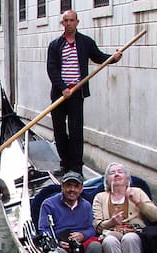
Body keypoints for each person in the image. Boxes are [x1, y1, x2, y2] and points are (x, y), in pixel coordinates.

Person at [46, 9, 122, 175]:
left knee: (76, 131)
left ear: (77, 22)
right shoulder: (55, 45)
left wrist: (113, 58)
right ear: (62, 23)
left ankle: (76, 167)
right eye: (65, 21)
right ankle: (65, 164)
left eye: (71, 20)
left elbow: (99, 57)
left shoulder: (86, 42)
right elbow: (52, 69)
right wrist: (63, 88)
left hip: (77, 94)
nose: (68, 23)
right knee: (59, 131)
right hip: (60, 94)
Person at [92, 163, 157, 253]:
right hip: (111, 232)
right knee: (109, 241)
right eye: (112, 173)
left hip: (135, 232)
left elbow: (156, 216)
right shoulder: (100, 197)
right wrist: (112, 222)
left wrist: (138, 203)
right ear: (107, 180)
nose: (116, 175)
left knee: (130, 238)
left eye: (120, 172)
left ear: (127, 178)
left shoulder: (138, 192)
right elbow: (97, 225)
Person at [38, 171, 103, 253]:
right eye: (69, 186)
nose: (72, 189)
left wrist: (82, 235)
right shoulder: (48, 204)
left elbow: (91, 229)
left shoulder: (86, 205)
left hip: (81, 243)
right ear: (62, 187)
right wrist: (58, 242)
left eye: (76, 186)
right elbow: (44, 230)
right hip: (60, 245)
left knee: (95, 246)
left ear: (81, 189)